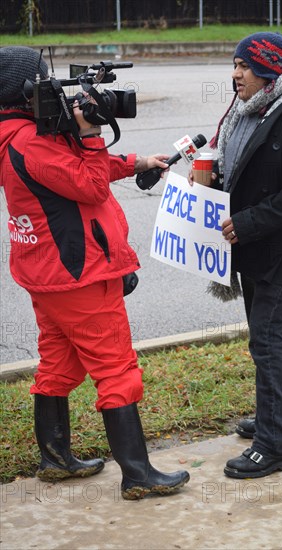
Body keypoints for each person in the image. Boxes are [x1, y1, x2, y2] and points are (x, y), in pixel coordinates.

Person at [0, 46, 189, 499]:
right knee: (116, 369)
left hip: (50, 272)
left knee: (59, 364)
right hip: (77, 275)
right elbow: (87, 183)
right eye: (44, 80)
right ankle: (138, 474)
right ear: (26, 92)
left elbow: (77, 171)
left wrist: (138, 162)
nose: (53, 88)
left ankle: (56, 458)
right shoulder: (26, 141)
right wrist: (88, 132)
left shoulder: (22, 133)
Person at [192, 33, 282, 479]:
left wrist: (250, 221)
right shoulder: (247, 110)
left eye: (244, 66)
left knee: (268, 340)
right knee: (276, 333)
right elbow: (244, 168)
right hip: (254, 245)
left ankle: (274, 446)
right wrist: (211, 172)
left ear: (270, 70)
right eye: (234, 64)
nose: (235, 74)